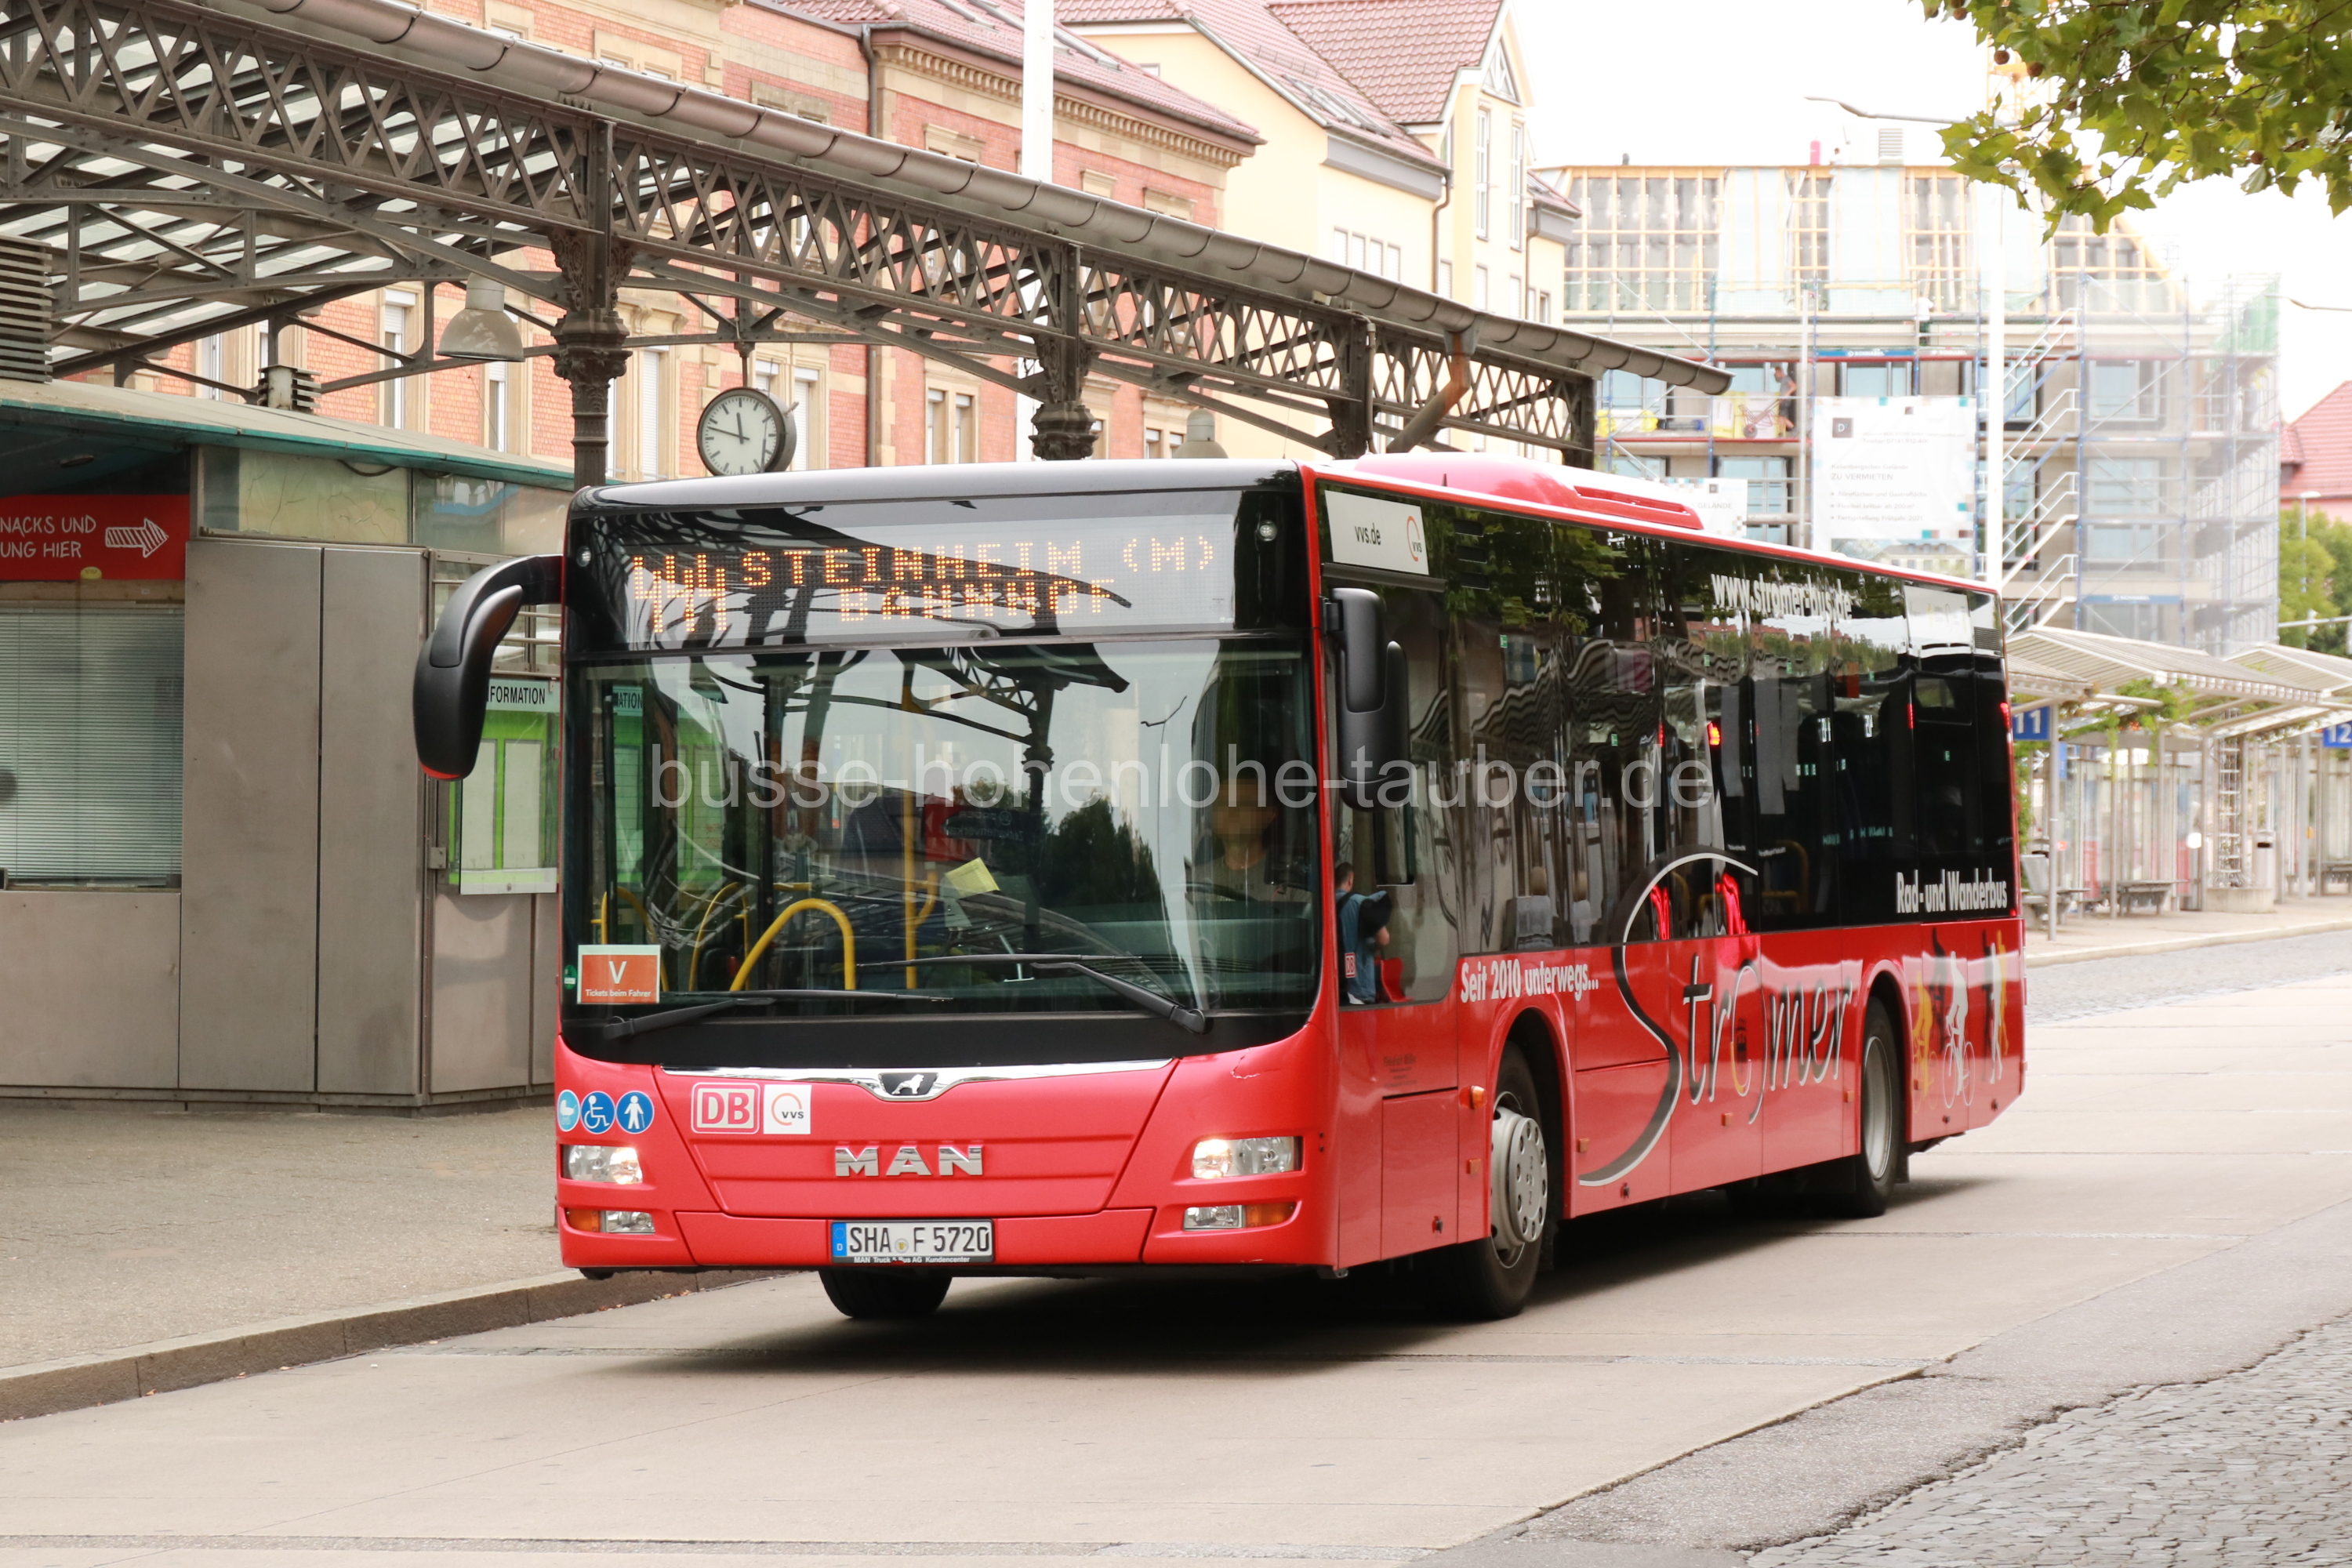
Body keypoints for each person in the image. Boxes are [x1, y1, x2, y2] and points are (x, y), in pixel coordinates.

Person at [1332, 861, 1392, 1004]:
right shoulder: (1360, 904)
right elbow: (1384, 939)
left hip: (1332, 989)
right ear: (1350, 878)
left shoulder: (1321, 904)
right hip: (1358, 989)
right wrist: (1370, 948)